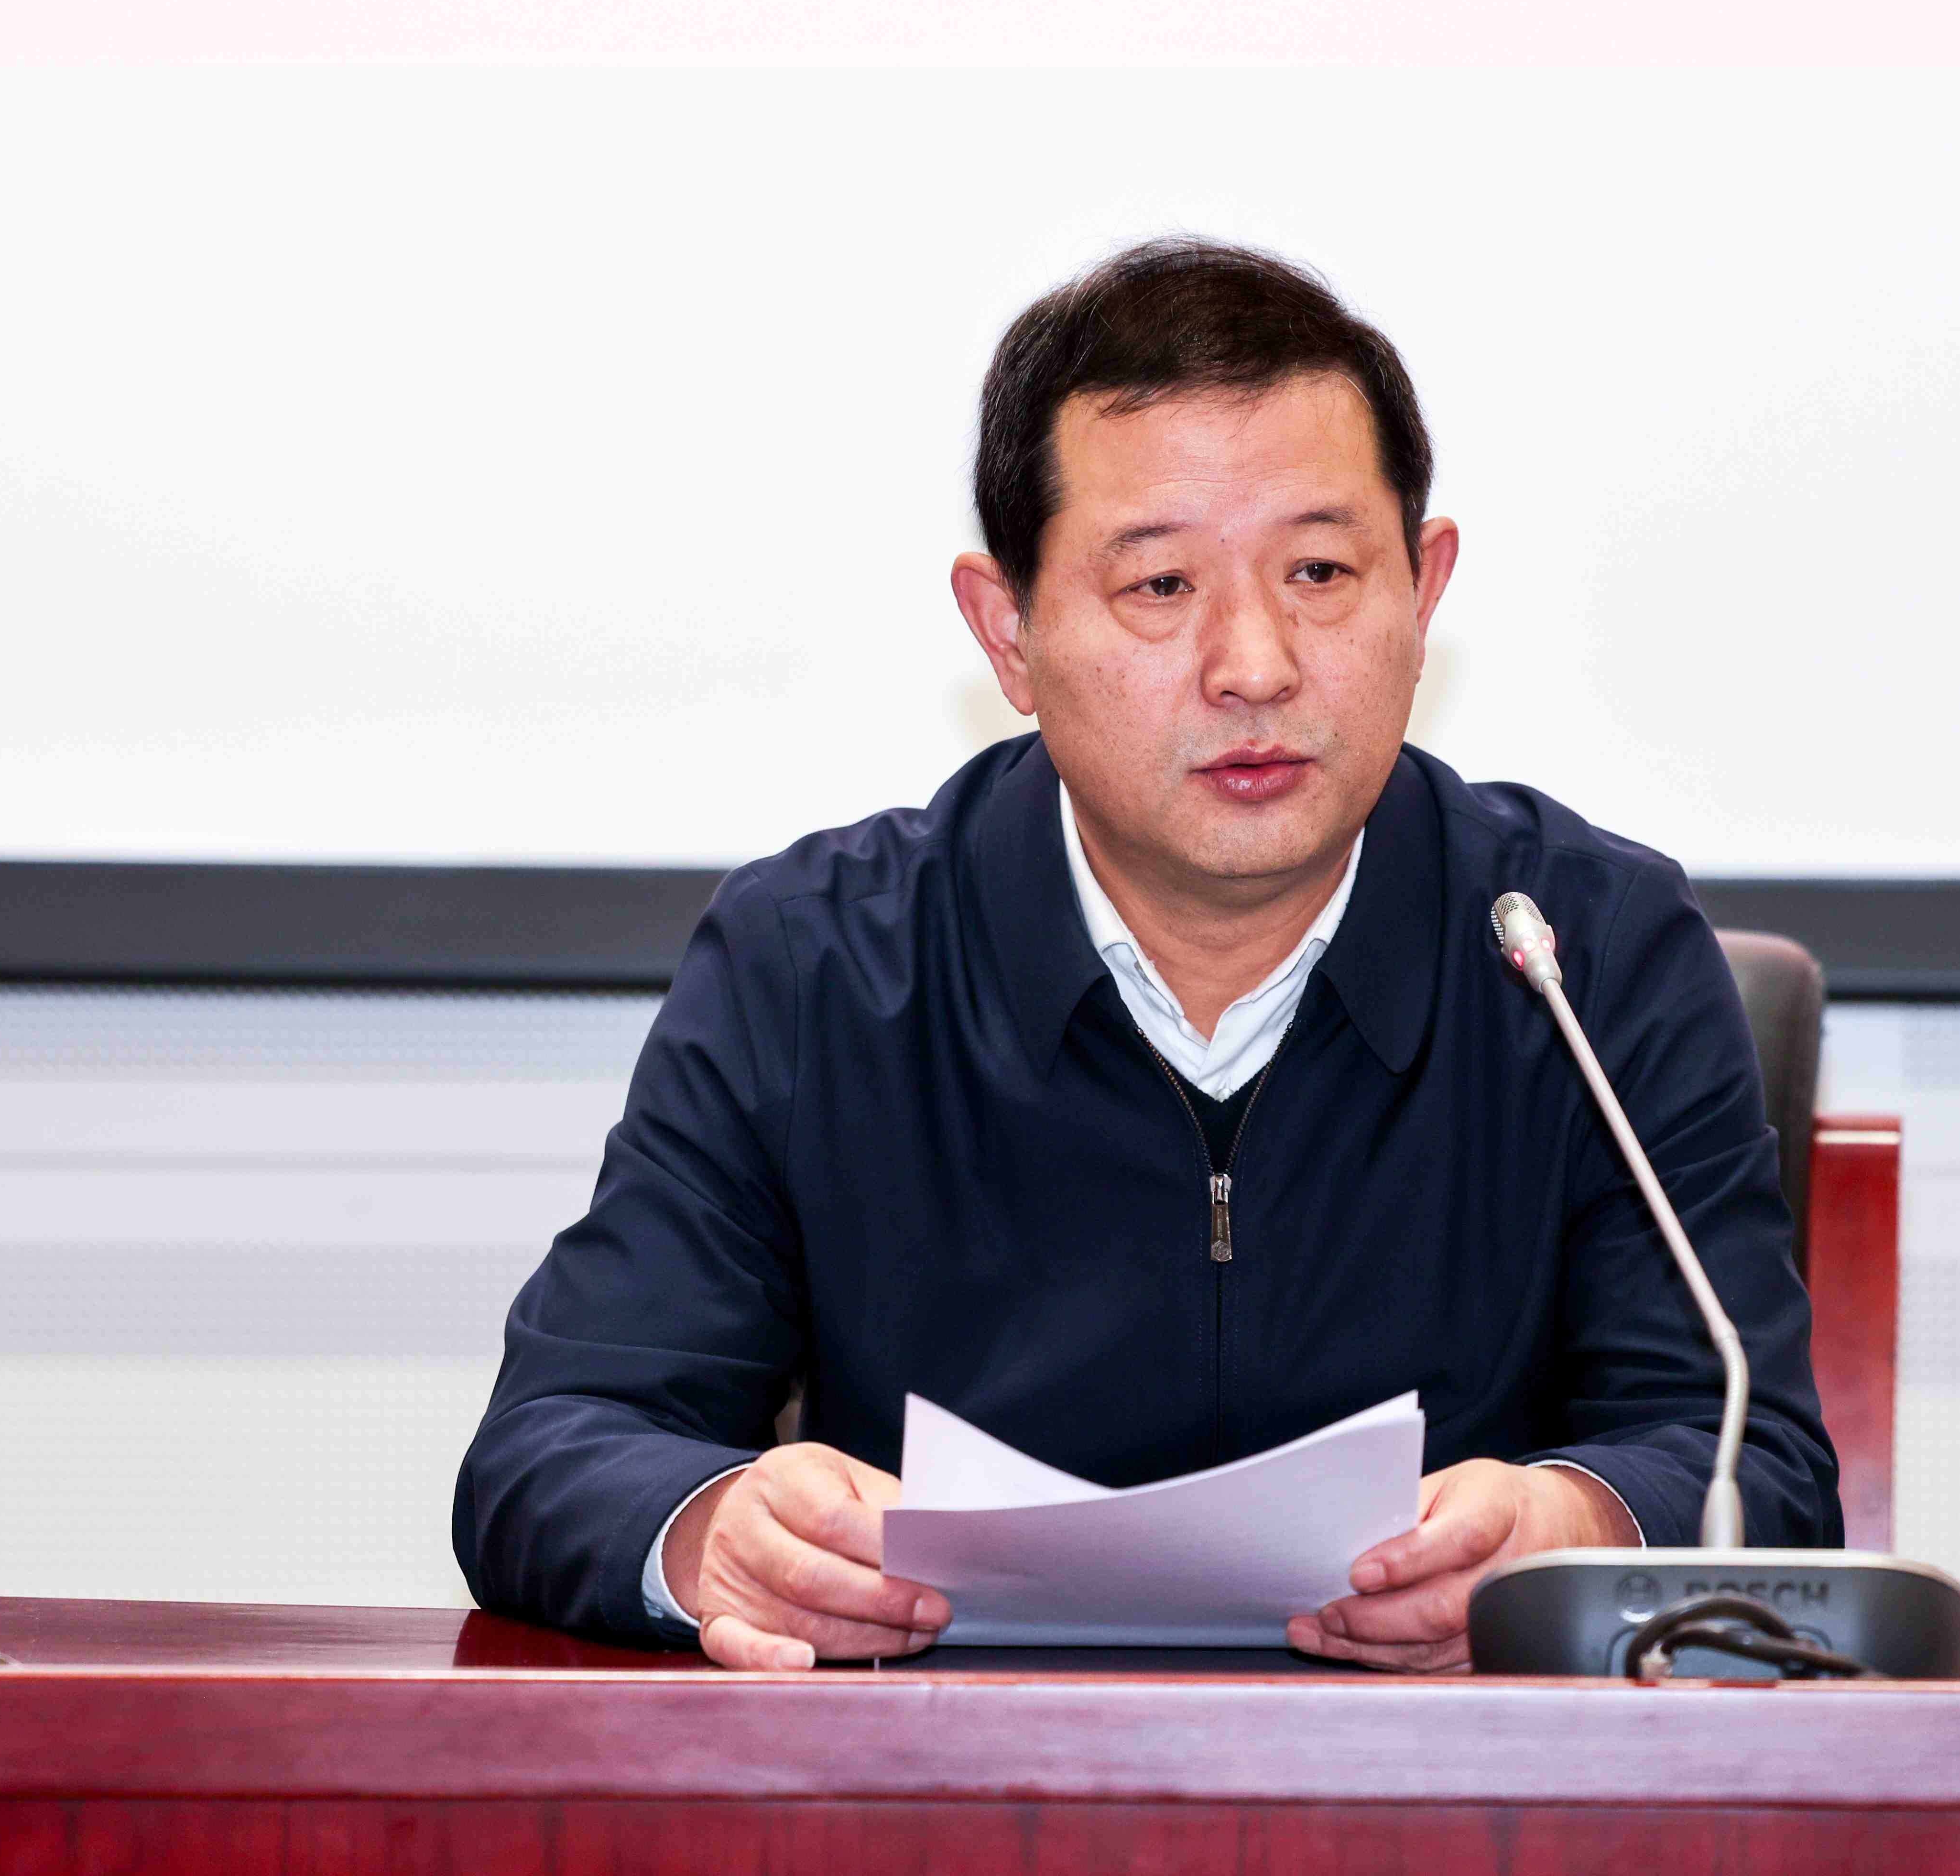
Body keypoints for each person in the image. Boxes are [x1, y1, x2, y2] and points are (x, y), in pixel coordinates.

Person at [454, 240, 1837, 1671]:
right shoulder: (818, 963)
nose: (1255, 665)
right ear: (1007, 633)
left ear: (1423, 592)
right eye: (1161, 585)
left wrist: (1576, 1530)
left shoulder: (1582, 959)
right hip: (945, 1779)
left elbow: (1755, 1462)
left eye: (1320, 571)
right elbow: (556, 1447)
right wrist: (713, 1534)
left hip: (1439, 1778)